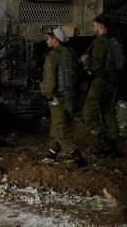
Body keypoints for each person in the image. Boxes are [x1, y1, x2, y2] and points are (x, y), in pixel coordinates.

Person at [42, 27, 86, 166]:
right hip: (72, 97)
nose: (46, 41)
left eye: (48, 38)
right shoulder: (71, 53)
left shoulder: (52, 57)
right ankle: (51, 154)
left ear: (55, 40)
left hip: (58, 98)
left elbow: (50, 82)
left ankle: (76, 155)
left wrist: (49, 95)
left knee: (60, 128)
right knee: (57, 126)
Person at [81, 15, 120, 156]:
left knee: (88, 113)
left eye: (94, 26)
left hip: (101, 81)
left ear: (101, 26)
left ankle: (104, 140)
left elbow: (96, 65)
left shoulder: (100, 42)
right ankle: (114, 145)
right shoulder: (112, 41)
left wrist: (85, 61)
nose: (92, 28)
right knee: (108, 112)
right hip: (113, 81)